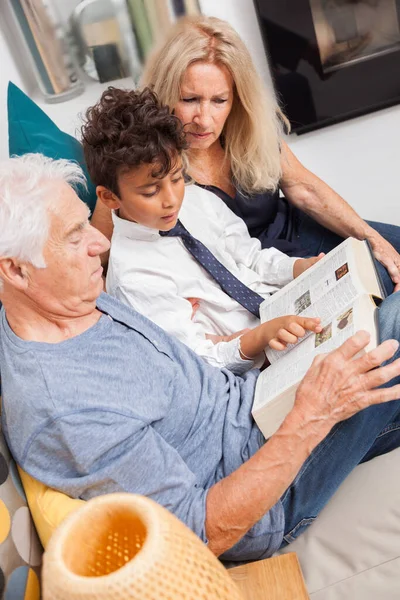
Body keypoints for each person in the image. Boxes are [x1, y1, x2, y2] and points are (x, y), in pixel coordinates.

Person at [1, 153, 400, 563]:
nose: (100, 242)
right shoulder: (66, 409)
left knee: (374, 278)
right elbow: (200, 532)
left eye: (87, 222)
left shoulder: (63, 300)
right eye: (73, 236)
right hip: (268, 498)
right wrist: (312, 414)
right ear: (16, 271)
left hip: (261, 403)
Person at [90, 15, 400, 297]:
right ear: (164, 90)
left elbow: (305, 190)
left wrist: (372, 238)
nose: (204, 119)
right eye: (190, 99)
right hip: (261, 274)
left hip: (303, 232)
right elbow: (99, 253)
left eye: (219, 100)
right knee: (383, 284)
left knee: (392, 251)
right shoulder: (143, 159)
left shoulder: (246, 131)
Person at [81, 87, 322, 373]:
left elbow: (250, 258)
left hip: (285, 306)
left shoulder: (197, 200)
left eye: (175, 178)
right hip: (258, 366)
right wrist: (263, 335)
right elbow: (198, 359)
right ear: (109, 198)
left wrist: (299, 268)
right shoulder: (134, 277)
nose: (171, 199)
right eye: (150, 191)